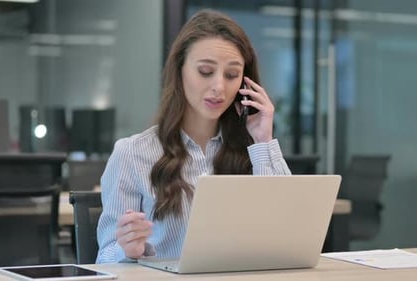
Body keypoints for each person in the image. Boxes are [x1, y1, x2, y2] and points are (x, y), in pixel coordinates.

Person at [96, 9, 292, 263]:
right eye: (205, 72)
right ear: (180, 72)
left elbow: (286, 232)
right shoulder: (132, 153)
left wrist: (263, 140)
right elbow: (104, 260)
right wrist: (129, 249)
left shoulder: (253, 149)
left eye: (232, 75)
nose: (219, 87)